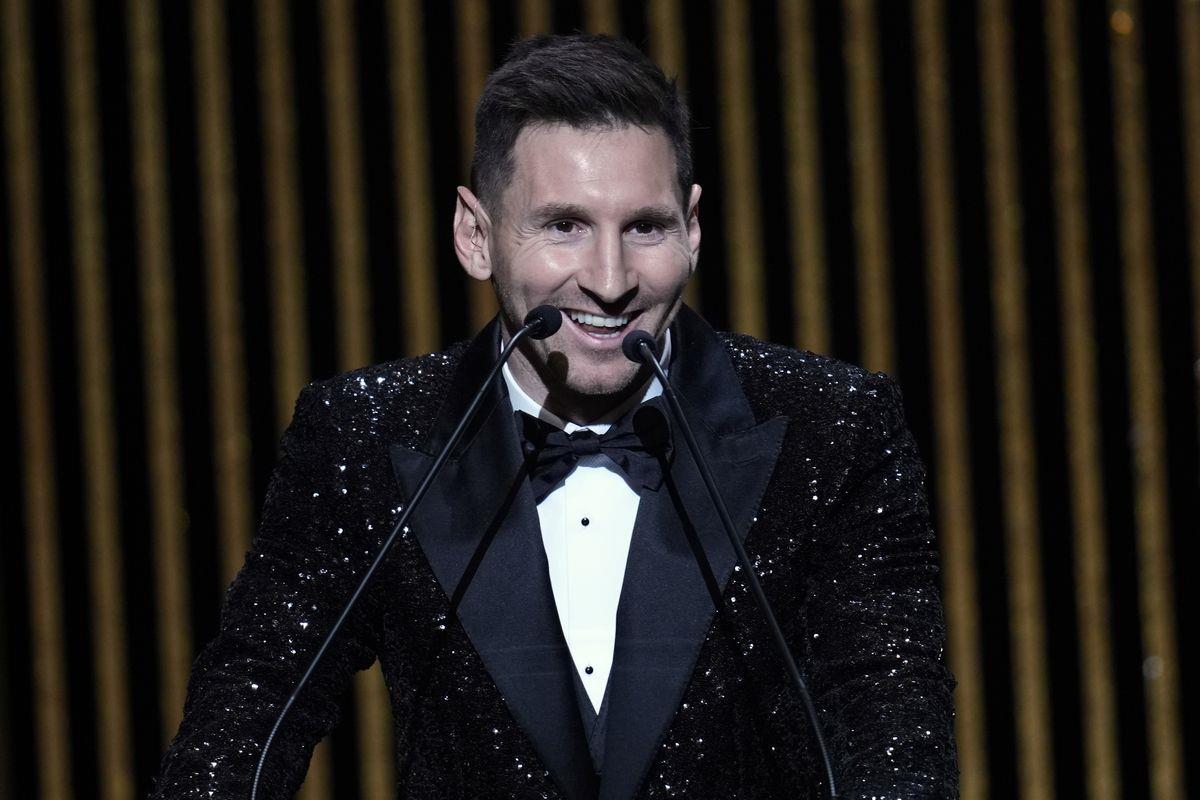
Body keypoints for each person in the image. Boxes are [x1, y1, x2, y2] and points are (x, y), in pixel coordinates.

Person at [153, 34, 957, 799]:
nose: (610, 279)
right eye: (564, 226)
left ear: (693, 228)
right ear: (475, 235)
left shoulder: (834, 429)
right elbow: (245, 722)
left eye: (645, 227)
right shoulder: (365, 436)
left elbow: (893, 727)